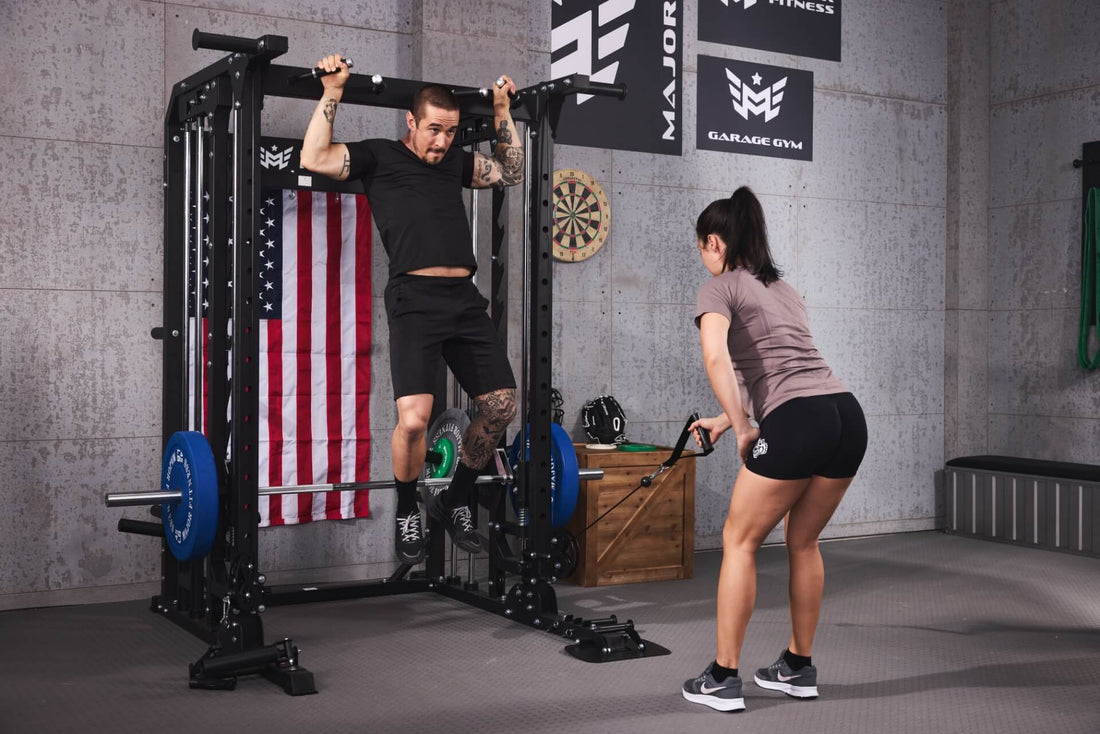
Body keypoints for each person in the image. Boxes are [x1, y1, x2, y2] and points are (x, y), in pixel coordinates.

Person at [300, 55, 523, 564]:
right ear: (411, 122)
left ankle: (456, 496)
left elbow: (512, 171)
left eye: (449, 132)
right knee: (415, 420)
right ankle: (407, 505)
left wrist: (502, 110)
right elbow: (314, 158)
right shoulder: (379, 156)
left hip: (464, 302)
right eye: (433, 131)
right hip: (414, 301)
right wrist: (333, 90)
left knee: (501, 406)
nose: (442, 142)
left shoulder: (454, 163)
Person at [681, 187, 867, 712]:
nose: (702, 257)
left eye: (701, 248)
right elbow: (782, 372)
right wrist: (724, 419)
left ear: (714, 242)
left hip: (798, 418)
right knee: (803, 542)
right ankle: (797, 667)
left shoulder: (718, 290)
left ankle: (722, 677)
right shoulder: (783, 289)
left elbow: (717, 359)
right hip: (845, 415)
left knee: (738, 540)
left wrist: (742, 428)